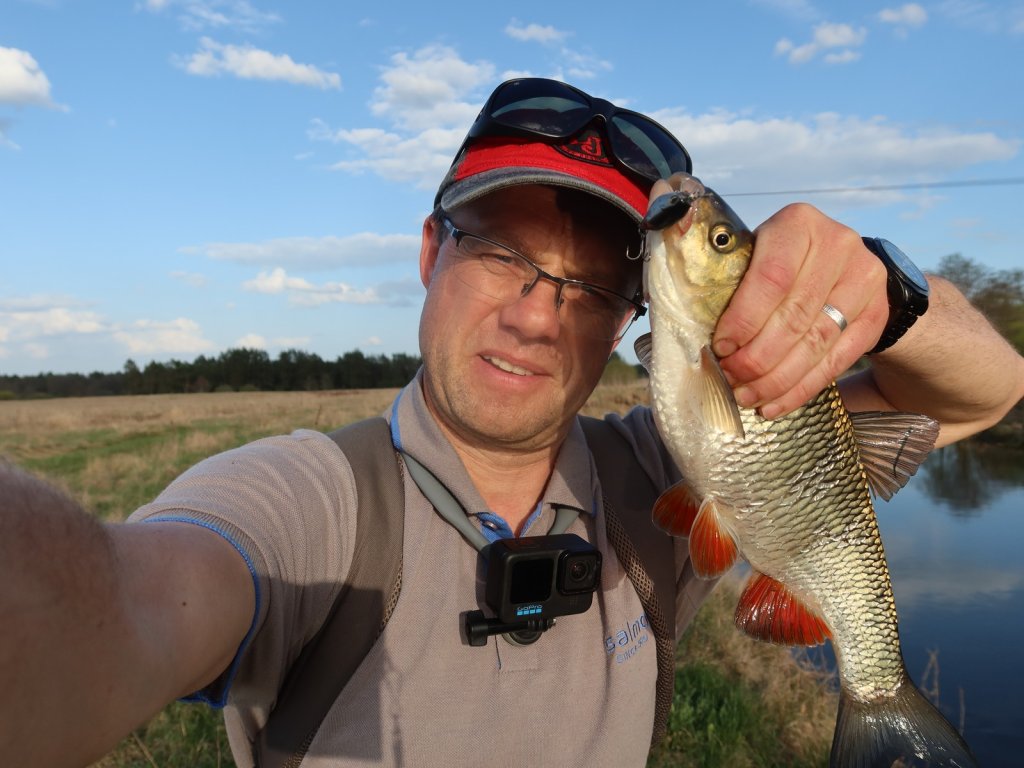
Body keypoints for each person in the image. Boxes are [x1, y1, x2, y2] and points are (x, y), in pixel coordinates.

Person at [2, 77, 1022, 768]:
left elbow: (987, 392)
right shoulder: (306, 504)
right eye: (500, 253)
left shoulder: (656, 473)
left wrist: (891, 295)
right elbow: (116, 612)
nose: (536, 316)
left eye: (590, 283)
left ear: (632, 315)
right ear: (428, 253)